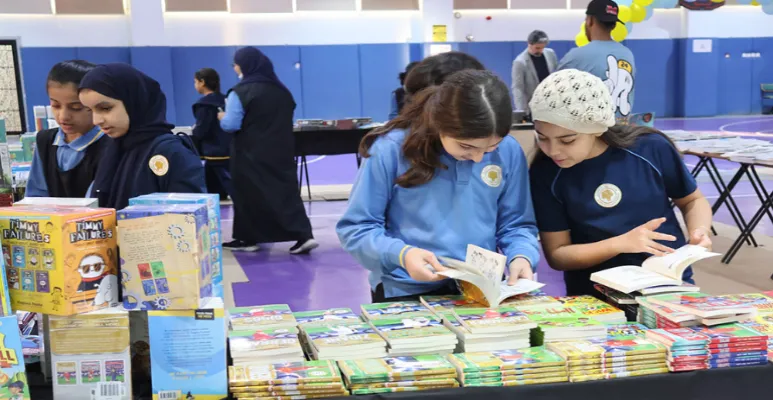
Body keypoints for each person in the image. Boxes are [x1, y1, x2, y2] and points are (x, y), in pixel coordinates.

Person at [337, 70, 540, 303]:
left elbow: (517, 224)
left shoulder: (509, 152)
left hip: (480, 290)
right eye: (466, 146)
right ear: (439, 123)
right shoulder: (390, 150)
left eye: (490, 148)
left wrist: (522, 256)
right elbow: (357, 228)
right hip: (405, 289)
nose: (477, 158)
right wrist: (402, 255)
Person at [527, 69, 713, 297]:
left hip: (668, 285)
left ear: (596, 129)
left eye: (567, 140)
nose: (553, 150)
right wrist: (621, 243)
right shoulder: (546, 172)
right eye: (542, 138)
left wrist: (699, 230)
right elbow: (558, 254)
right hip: (596, 298)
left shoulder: (650, 148)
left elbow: (692, 200)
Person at [219, 47, 317, 254]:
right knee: (286, 193)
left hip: (248, 153)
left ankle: (248, 238)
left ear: (244, 65)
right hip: (280, 151)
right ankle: (303, 236)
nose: (235, 67)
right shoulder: (281, 91)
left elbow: (231, 124)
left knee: (247, 195)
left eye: (236, 63)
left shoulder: (240, 92)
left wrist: (221, 117)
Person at [78, 63, 205, 210]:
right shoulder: (113, 149)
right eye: (90, 111)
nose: (96, 120)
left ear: (134, 101)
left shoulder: (170, 151)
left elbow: (189, 221)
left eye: (106, 108)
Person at [27, 60, 109, 198]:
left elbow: (98, 203)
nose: (63, 116)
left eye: (75, 108)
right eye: (56, 106)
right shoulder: (45, 141)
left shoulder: (109, 145)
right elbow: (36, 195)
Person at [558, 0, 636, 123]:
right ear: (614, 25)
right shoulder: (627, 54)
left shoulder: (576, 56)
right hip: (623, 133)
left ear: (590, 21)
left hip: (593, 135)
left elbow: (555, 94)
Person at [192, 68, 233, 200]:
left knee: (231, 186)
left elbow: (202, 130)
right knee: (215, 189)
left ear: (202, 82)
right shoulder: (227, 100)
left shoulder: (203, 105)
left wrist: (195, 131)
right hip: (230, 149)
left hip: (214, 152)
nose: (195, 85)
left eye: (195, 82)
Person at [511, 30, 558, 118]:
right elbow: (518, 87)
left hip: (552, 104)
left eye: (542, 48)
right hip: (533, 107)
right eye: (537, 48)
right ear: (529, 44)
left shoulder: (550, 54)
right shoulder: (520, 62)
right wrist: (521, 111)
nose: (540, 50)